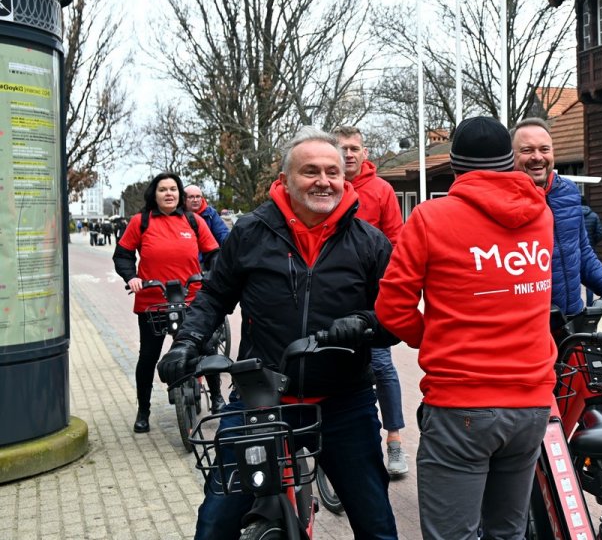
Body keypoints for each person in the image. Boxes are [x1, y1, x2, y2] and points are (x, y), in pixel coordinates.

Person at [157, 127, 399, 540]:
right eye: (310, 171)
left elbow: (394, 316)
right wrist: (186, 343)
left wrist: (365, 324)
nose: (323, 181)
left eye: (332, 172)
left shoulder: (369, 242)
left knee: (376, 524)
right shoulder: (250, 232)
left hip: (343, 402)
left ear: (345, 180)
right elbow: (215, 297)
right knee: (215, 521)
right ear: (285, 180)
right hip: (260, 399)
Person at [375, 116, 556, 540]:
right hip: (531, 404)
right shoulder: (540, 215)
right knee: (507, 533)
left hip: (463, 407)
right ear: (511, 162)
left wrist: (435, 336)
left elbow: (391, 307)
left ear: (454, 167)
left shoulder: (430, 218)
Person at [112, 172, 219, 434]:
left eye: (173, 189)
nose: (169, 194)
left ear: (180, 194)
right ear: (154, 194)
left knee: (206, 346)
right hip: (152, 301)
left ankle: (216, 397)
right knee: (148, 356)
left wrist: (210, 277)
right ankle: (143, 410)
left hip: (192, 299)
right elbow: (122, 255)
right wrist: (132, 277)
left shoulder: (192, 221)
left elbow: (214, 253)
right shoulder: (141, 222)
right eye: (163, 190)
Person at [332, 124, 409, 477]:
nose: (348, 154)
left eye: (354, 148)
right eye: (342, 148)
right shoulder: (325, 187)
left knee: (380, 364)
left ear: (364, 152)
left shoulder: (381, 190)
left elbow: (396, 240)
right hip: (330, 295)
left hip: (370, 297)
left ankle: (394, 440)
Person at [511, 117, 602, 316]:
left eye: (544, 149)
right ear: (511, 156)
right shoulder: (503, 199)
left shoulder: (568, 192)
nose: (537, 157)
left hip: (571, 316)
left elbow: (580, 249)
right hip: (530, 322)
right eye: (527, 150)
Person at [183, 184, 230, 414]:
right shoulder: (180, 217)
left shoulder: (209, 216)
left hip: (207, 268)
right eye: (190, 196)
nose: (194, 200)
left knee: (210, 337)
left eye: (198, 196)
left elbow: (224, 238)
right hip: (186, 272)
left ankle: (217, 396)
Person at [582, 196, 602, 305]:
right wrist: (593, 242)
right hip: (589, 248)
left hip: (573, 249)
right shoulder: (594, 215)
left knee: (573, 277)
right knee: (589, 275)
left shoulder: (572, 215)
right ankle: (589, 303)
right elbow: (600, 233)